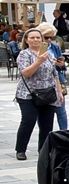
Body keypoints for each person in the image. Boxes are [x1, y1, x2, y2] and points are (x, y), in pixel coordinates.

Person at [14, 27, 62, 160]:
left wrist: (59, 91)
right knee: (28, 120)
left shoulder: (49, 54)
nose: (35, 40)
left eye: (38, 37)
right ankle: (21, 149)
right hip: (29, 93)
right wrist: (39, 61)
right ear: (27, 40)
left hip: (48, 93)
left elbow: (55, 74)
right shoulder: (24, 54)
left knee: (47, 123)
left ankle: (44, 149)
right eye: (32, 38)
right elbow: (26, 73)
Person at [37, 23, 69, 130]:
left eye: (51, 37)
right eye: (46, 37)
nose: (49, 40)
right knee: (44, 112)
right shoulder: (36, 47)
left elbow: (62, 66)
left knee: (61, 110)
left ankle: (64, 133)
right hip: (41, 82)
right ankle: (45, 134)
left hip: (57, 79)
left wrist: (61, 64)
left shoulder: (54, 47)